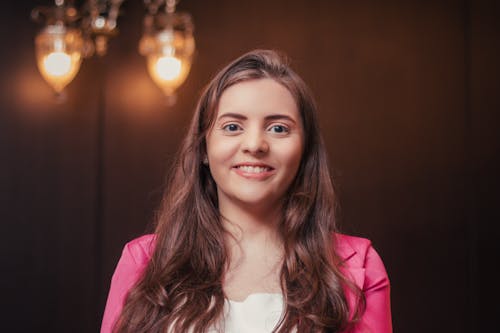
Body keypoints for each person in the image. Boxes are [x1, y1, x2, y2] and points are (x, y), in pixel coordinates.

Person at [101, 49, 392, 333]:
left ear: (305, 151)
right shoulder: (144, 262)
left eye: (278, 128)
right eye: (232, 126)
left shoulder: (357, 267)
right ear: (203, 147)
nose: (255, 145)